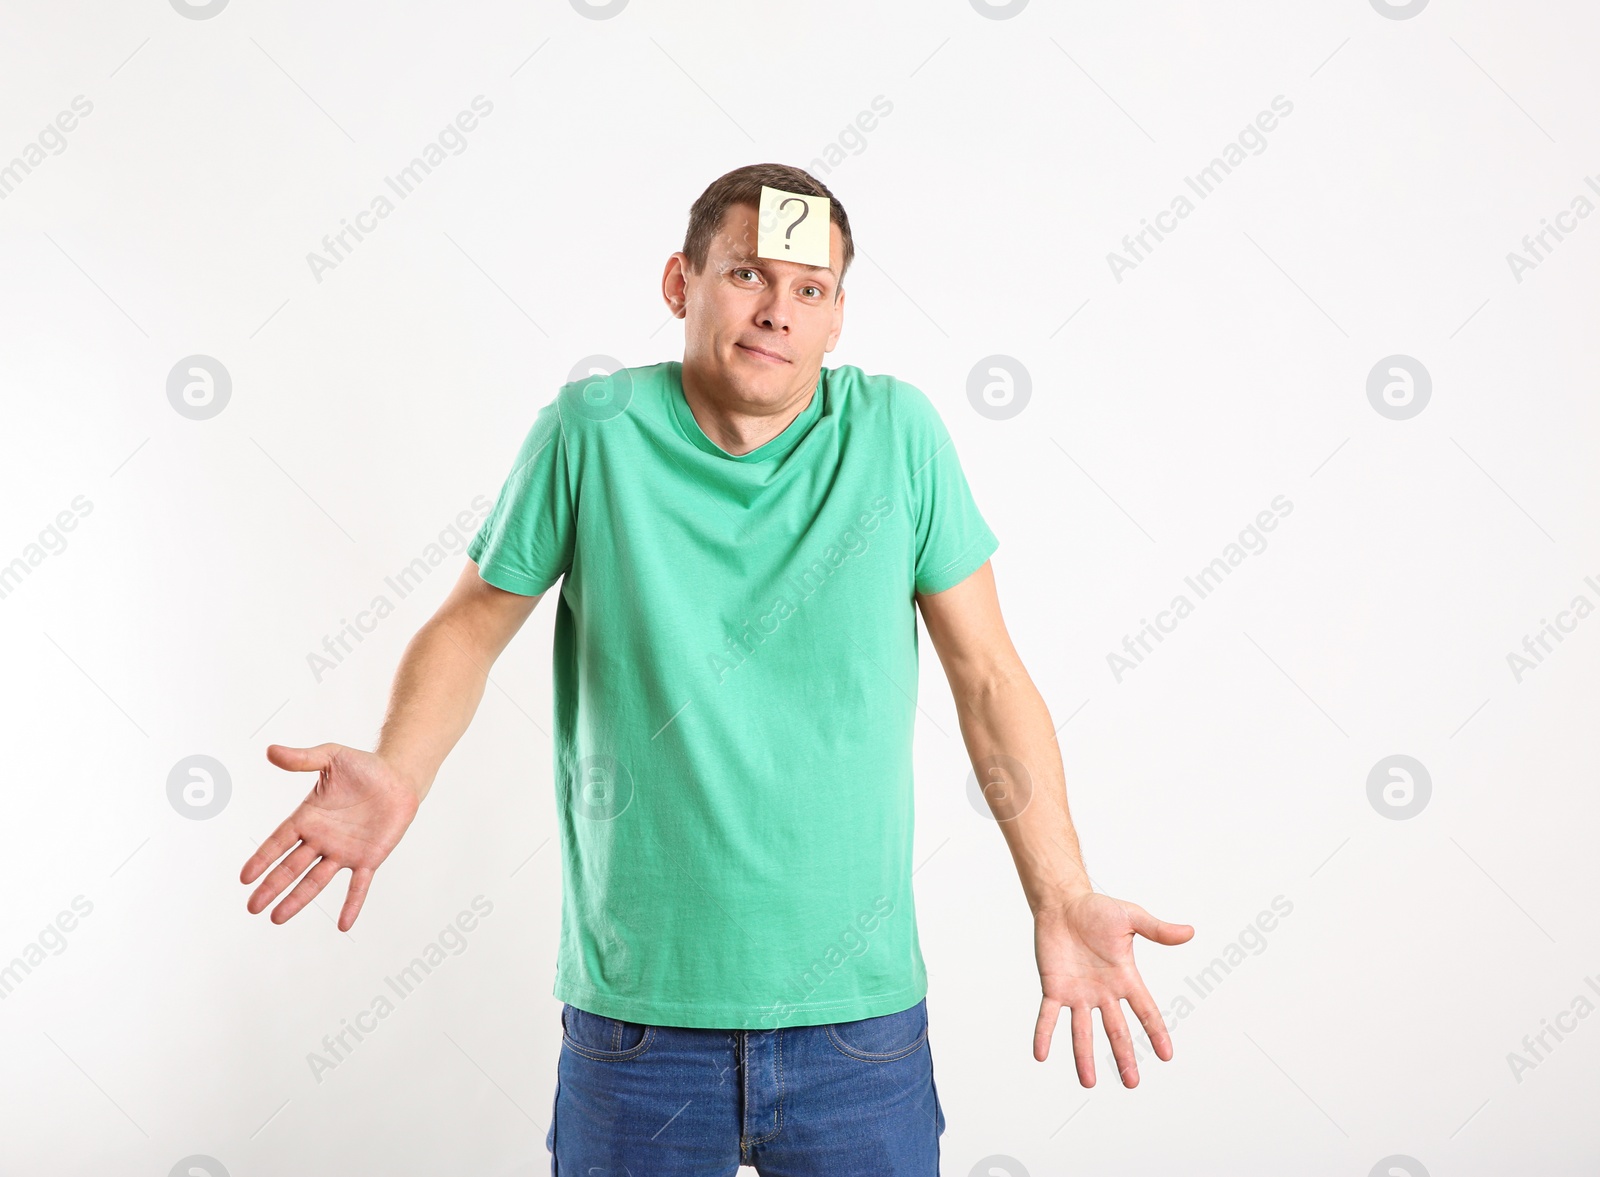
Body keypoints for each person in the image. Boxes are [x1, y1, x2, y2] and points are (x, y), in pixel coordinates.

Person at [240, 162, 1193, 1175]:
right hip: (640, 1029)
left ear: (835, 321)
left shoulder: (896, 436)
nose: (778, 310)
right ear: (679, 283)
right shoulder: (591, 433)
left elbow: (990, 679)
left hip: (856, 1030)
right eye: (747, 274)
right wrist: (400, 766)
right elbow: (474, 621)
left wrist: (1058, 892)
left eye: (810, 289)